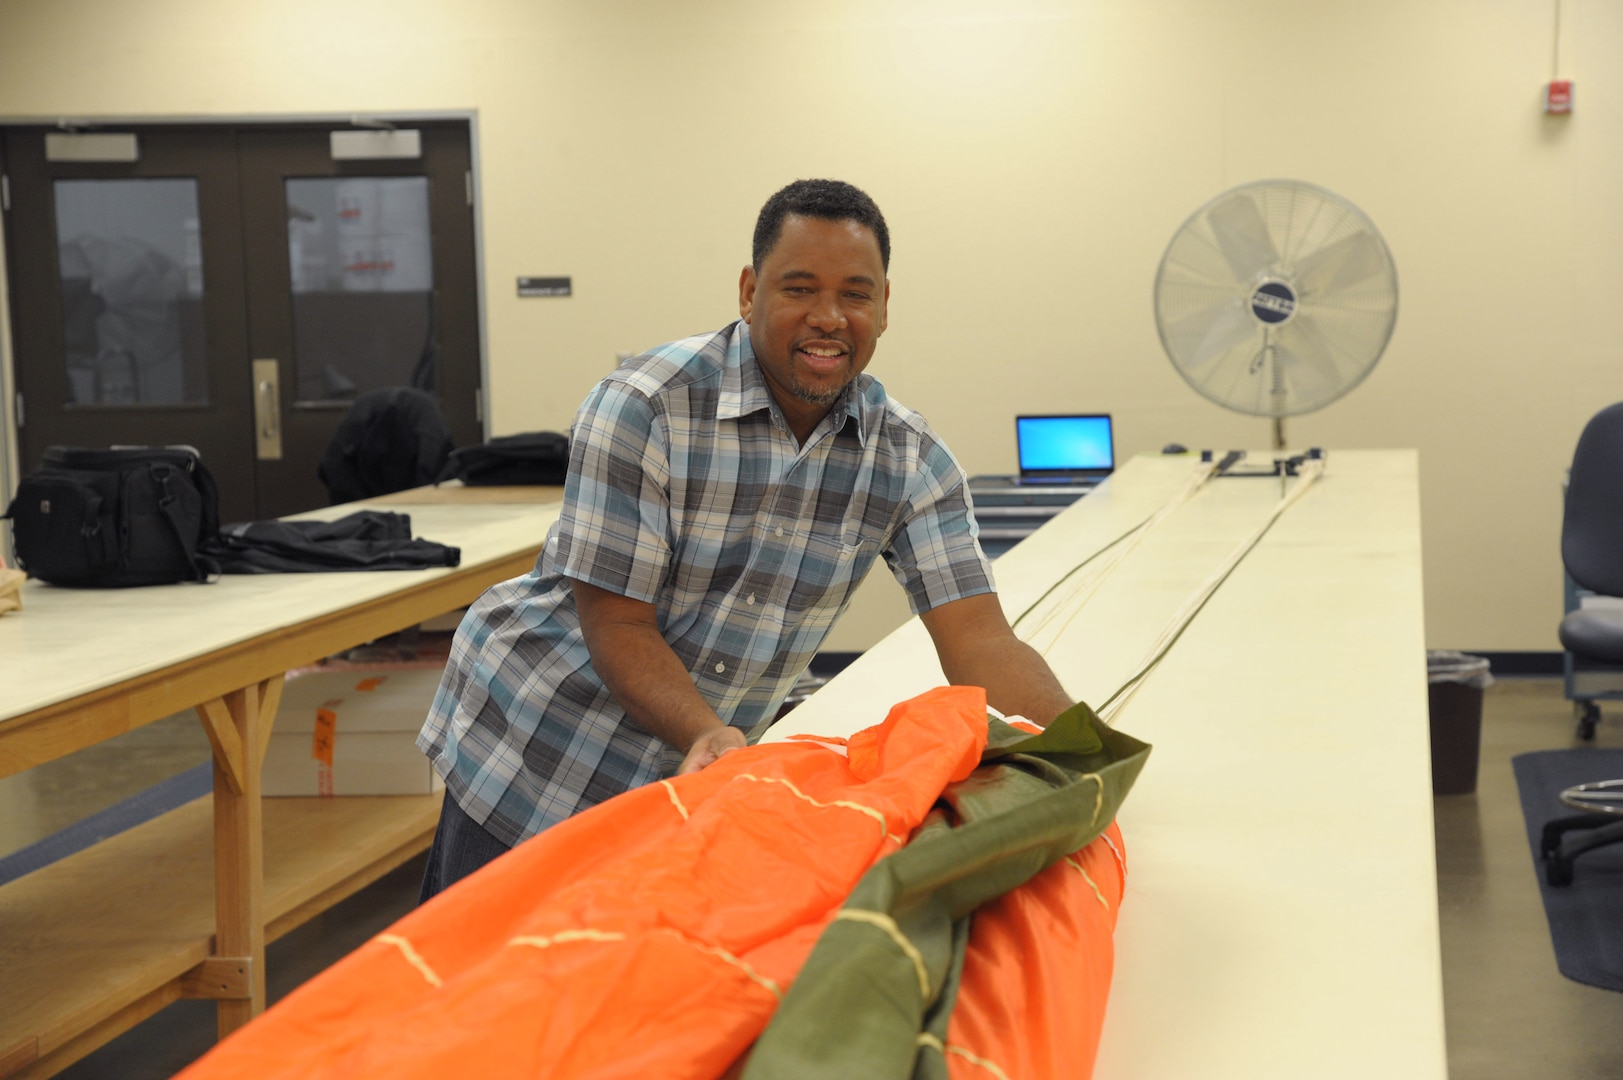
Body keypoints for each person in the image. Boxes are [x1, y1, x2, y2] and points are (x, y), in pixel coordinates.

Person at [416, 179, 1074, 900]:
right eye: (799, 289)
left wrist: (1079, 757)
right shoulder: (646, 406)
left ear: (884, 305)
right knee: (472, 989)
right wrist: (710, 732)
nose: (828, 318)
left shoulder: (908, 458)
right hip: (535, 753)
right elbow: (618, 620)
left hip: (697, 779)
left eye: (855, 294)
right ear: (748, 291)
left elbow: (979, 639)